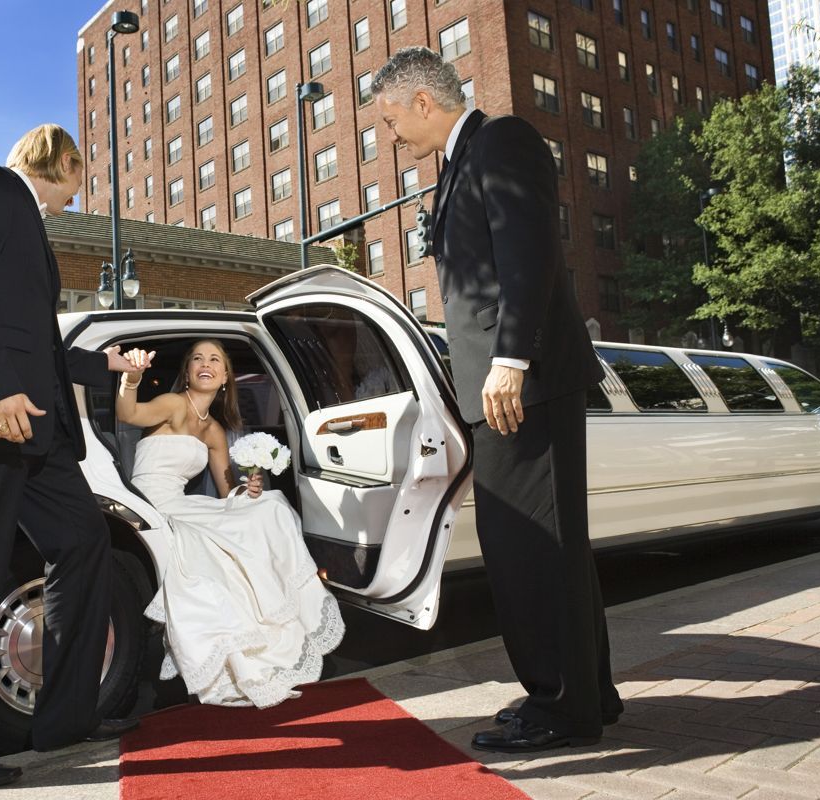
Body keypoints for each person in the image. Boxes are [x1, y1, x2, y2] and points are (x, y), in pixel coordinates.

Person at [372, 48, 622, 752]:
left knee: (529, 549)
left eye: (392, 121)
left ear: (424, 102)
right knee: (555, 550)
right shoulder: (459, 166)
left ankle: (558, 709)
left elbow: (530, 255)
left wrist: (509, 362)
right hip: (508, 388)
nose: (391, 138)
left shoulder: (500, 141)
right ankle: (586, 695)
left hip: (523, 386)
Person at [0, 124, 140, 790]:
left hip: (33, 427)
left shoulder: (21, 218)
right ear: (62, 162)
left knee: (82, 541)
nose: (75, 195)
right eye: (78, 178)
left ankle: (65, 718)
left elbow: (37, 338)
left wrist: (105, 364)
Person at [116, 340, 345, 708]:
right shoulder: (173, 405)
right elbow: (128, 414)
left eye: (215, 360)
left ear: (225, 376)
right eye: (197, 359)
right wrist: (131, 379)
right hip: (149, 504)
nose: (205, 364)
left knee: (269, 505)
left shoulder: (214, 431)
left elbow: (227, 491)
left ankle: (278, 613)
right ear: (187, 371)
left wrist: (249, 486)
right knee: (206, 547)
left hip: (183, 503)